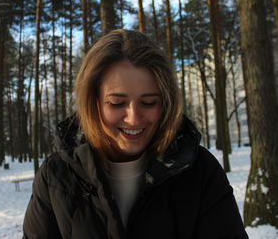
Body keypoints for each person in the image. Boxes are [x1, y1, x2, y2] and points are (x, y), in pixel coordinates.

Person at [22, 29, 248, 239]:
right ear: (93, 103)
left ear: (166, 104)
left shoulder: (199, 172)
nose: (133, 118)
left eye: (149, 103)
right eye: (117, 103)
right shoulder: (56, 176)